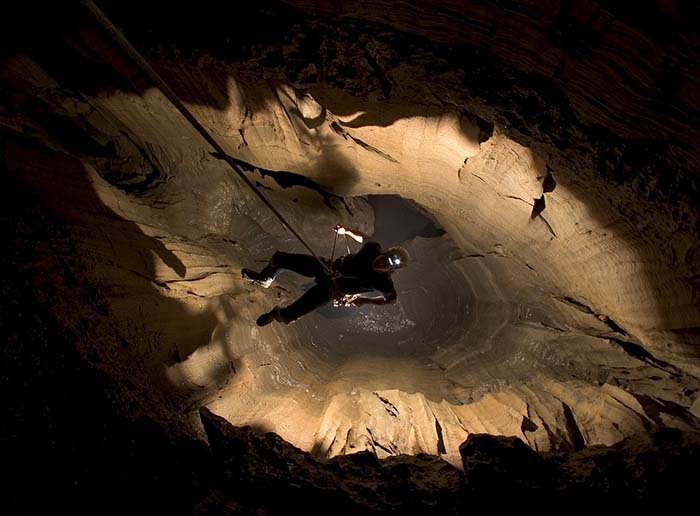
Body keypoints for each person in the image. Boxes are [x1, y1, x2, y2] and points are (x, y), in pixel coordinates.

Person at [242, 225, 409, 326]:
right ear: (386, 252)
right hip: (327, 268)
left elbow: (391, 299)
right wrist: (346, 231)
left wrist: (365, 300)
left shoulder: (384, 283)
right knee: (280, 258)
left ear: (391, 270)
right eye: (385, 258)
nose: (382, 262)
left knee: (289, 316)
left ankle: (274, 314)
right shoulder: (373, 249)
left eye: (387, 265)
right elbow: (364, 238)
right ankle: (264, 279)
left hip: (332, 289)